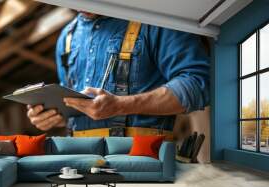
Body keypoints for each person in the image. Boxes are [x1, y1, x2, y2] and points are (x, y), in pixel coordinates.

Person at [26, 12, 210, 138]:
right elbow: (71, 109)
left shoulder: (156, 21)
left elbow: (198, 82)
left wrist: (121, 106)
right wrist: (53, 116)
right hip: (79, 161)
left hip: (144, 162)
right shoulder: (67, 36)